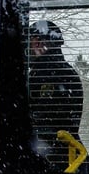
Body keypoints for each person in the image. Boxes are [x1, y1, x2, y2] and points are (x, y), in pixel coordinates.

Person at [28, 20, 84, 163]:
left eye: (31, 42)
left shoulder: (43, 74)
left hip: (49, 157)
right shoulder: (68, 72)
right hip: (66, 154)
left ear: (40, 44)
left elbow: (42, 120)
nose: (29, 48)